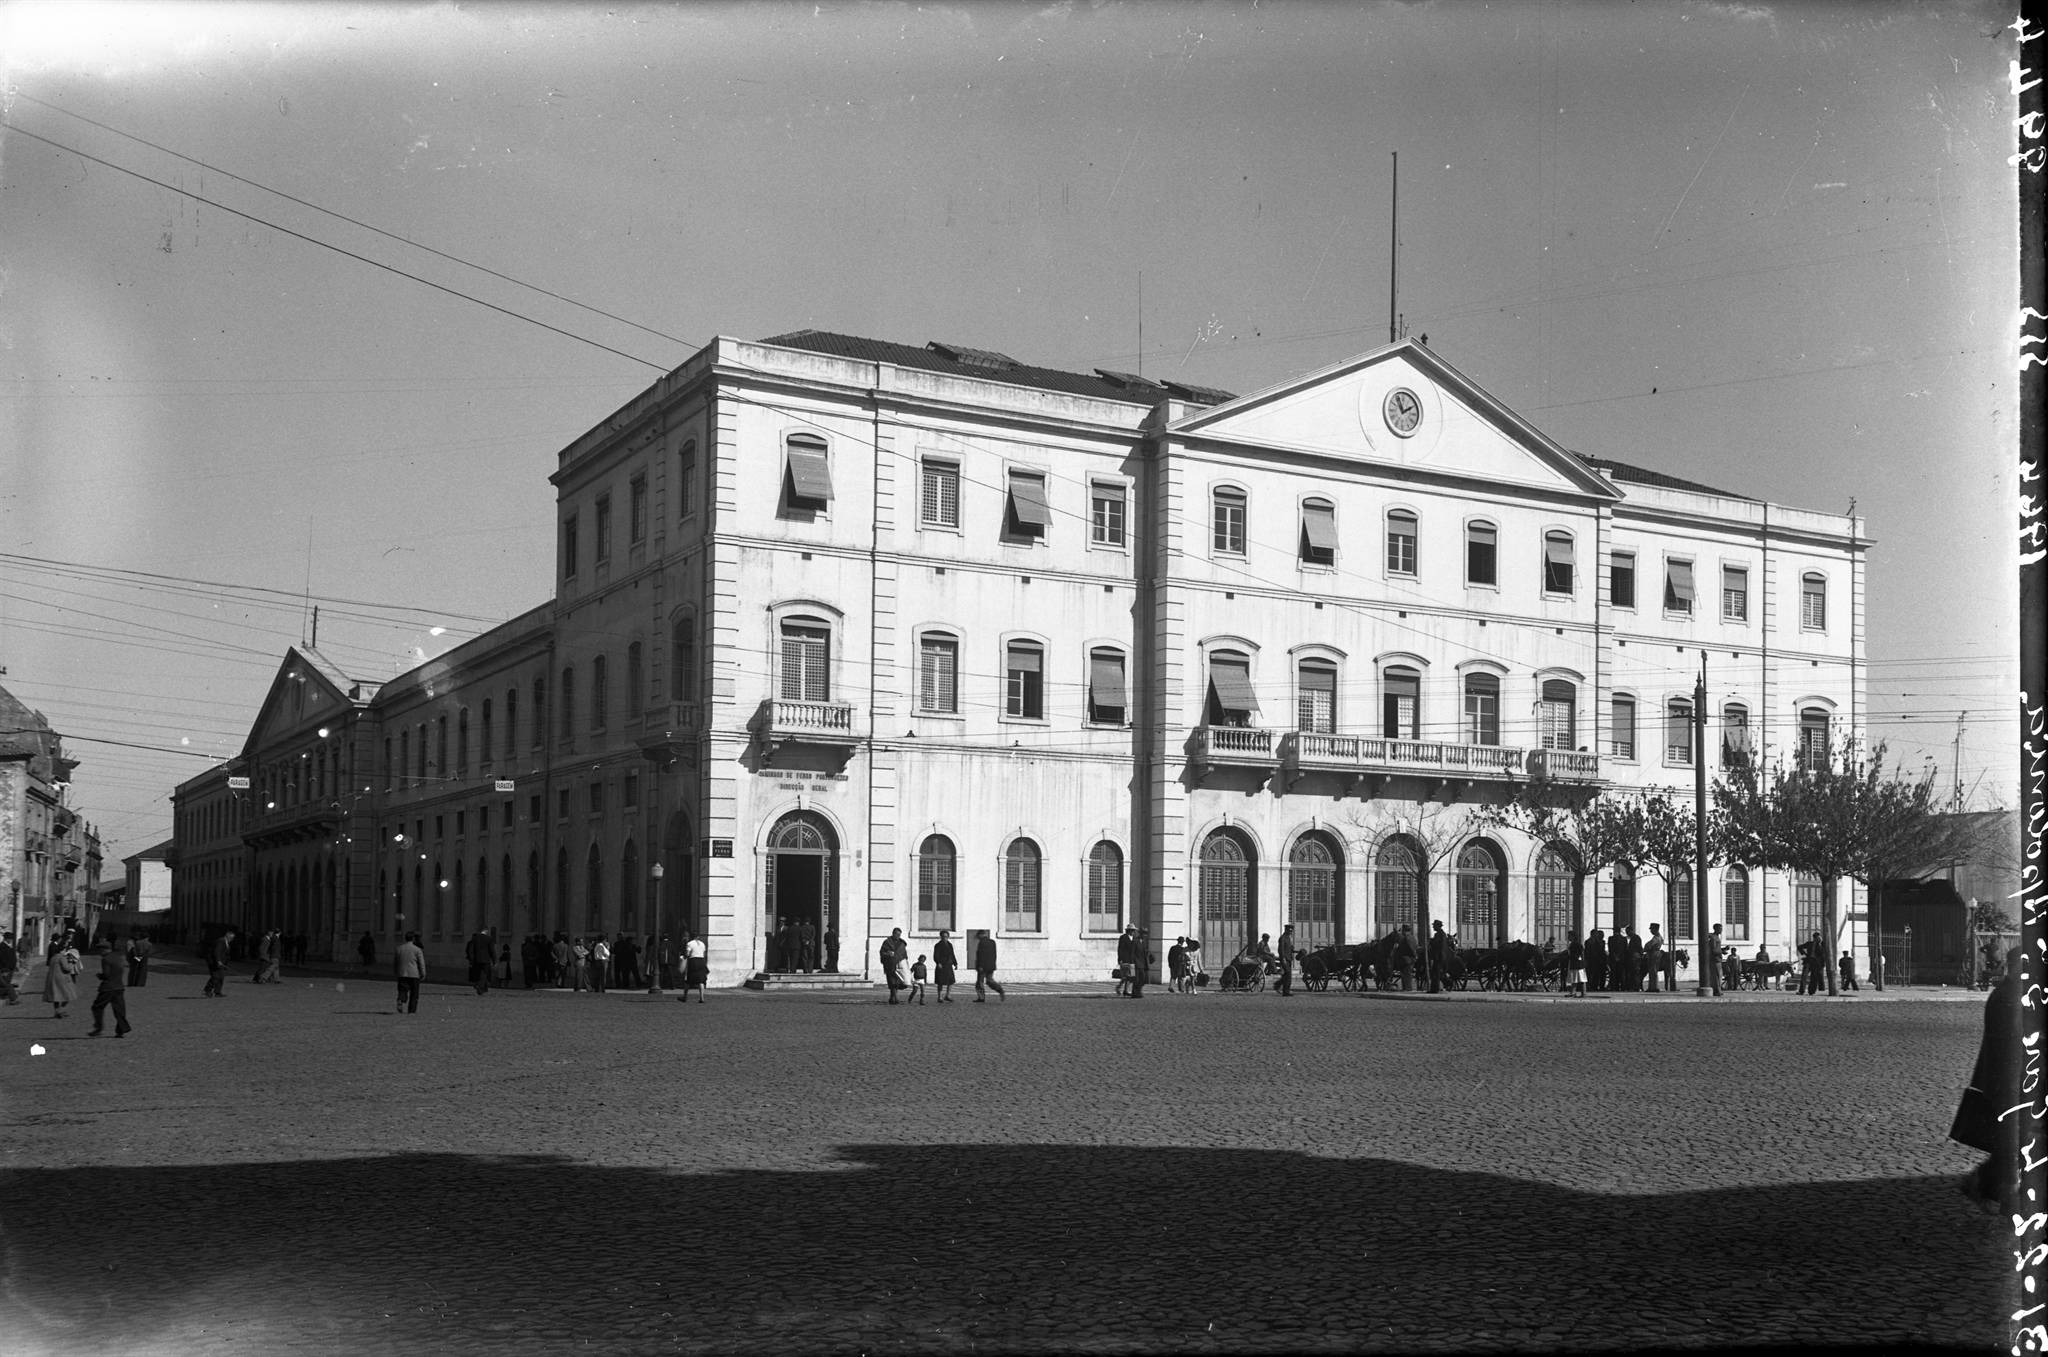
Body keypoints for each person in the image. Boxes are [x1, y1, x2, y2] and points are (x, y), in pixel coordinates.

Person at [1952, 946, 2025, 1211]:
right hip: (2008, 1083)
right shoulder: (2007, 997)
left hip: (2013, 1082)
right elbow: (2013, 1043)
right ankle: (1994, 1190)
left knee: (2015, 1142)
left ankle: (1990, 1186)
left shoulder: (2014, 995)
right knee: (2014, 1142)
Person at [88, 933, 133, 1038]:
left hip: (108, 988)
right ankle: (121, 1030)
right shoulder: (119, 957)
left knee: (97, 1007)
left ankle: (98, 1027)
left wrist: (100, 976)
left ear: (104, 950)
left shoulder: (106, 959)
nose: (99, 953)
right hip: (119, 987)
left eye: (100, 950)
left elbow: (107, 975)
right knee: (119, 1009)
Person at [44, 930, 82, 1019]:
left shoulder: (54, 957)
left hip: (53, 979)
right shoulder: (62, 958)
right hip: (61, 979)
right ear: (62, 950)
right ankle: (60, 1010)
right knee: (68, 995)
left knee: (56, 997)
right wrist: (72, 962)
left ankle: (57, 1011)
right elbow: (67, 968)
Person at [394, 931, 425, 1014]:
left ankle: (400, 999)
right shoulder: (417, 950)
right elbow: (421, 963)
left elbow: (396, 962)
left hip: (402, 973)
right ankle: (411, 1010)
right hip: (414, 974)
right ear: (413, 939)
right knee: (414, 994)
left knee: (402, 990)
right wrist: (423, 973)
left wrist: (396, 972)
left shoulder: (399, 948)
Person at [973, 930, 1005, 1002]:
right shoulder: (992, 942)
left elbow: (981, 955)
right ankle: (999, 989)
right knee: (990, 980)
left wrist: (980, 965)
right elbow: (994, 954)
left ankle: (981, 997)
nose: (977, 938)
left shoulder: (981, 943)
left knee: (980, 982)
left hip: (983, 966)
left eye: (978, 936)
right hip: (991, 965)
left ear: (980, 935)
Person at [204, 928, 234, 998]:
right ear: (228, 937)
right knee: (216, 976)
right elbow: (217, 952)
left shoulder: (225, 942)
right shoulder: (221, 941)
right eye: (232, 938)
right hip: (214, 962)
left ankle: (217, 992)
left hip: (220, 962)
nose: (232, 939)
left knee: (221, 977)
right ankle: (207, 990)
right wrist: (218, 961)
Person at [932, 929, 959, 1003]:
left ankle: (948, 995)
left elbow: (952, 954)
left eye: (946, 936)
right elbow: (935, 956)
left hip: (949, 965)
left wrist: (955, 963)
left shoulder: (950, 945)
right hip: (941, 965)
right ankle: (939, 997)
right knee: (940, 982)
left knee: (951, 981)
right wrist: (938, 963)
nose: (945, 938)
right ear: (941, 937)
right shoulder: (938, 945)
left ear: (948, 937)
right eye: (943, 936)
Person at [466, 929, 495, 996]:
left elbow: (471, 950)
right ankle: (481, 987)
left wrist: (471, 959)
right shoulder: (489, 939)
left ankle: (480, 986)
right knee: (484, 974)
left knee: (478, 974)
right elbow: (492, 951)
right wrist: (494, 960)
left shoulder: (474, 939)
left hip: (477, 960)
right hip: (486, 960)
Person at [681, 931, 708, 1003]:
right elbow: (704, 954)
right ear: (698, 937)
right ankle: (701, 998)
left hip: (693, 961)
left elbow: (687, 953)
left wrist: (683, 957)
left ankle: (685, 997)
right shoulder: (702, 943)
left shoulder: (689, 943)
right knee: (701, 980)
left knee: (688, 980)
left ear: (691, 937)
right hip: (701, 961)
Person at [1427, 920, 1452, 994]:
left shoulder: (1440, 934)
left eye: (1434, 926)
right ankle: (1435, 988)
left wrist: (1431, 941)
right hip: (1438, 956)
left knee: (1436, 973)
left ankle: (1436, 988)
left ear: (1438, 926)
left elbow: (1438, 945)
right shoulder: (1439, 934)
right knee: (1436, 973)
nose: (1433, 927)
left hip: (1439, 956)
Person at [1391, 924, 1418, 991]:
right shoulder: (1413, 937)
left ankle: (1407, 988)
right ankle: (1406, 988)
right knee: (1406, 974)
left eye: (1403, 931)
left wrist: (1414, 955)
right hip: (1408, 959)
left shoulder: (1406, 938)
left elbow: (1411, 948)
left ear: (1405, 931)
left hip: (1406, 959)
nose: (1402, 932)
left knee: (1406, 974)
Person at [1116, 926, 1140, 997]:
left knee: (1132, 976)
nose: (1133, 932)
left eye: (1134, 931)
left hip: (1132, 960)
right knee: (1125, 976)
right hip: (1125, 959)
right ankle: (1119, 987)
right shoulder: (1123, 938)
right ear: (1129, 931)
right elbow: (1120, 949)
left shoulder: (1135, 938)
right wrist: (1120, 959)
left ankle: (1126, 990)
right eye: (1132, 930)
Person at [1642, 923, 1665, 992]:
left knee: (1653, 971)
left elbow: (1649, 946)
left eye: (1652, 929)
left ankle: (1653, 987)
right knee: (1653, 971)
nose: (1651, 931)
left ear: (1656, 929)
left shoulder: (1656, 938)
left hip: (1653, 955)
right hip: (1655, 954)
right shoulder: (1659, 937)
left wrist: (1645, 949)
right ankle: (1652, 987)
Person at [1275, 923, 1296, 997]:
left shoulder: (1289, 938)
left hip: (1289, 958)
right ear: (1286, 930)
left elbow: (1290, 949)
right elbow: (1281, 949)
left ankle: (1278, 985)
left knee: (1287, 975)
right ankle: (1286, 991)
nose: (1290, 932)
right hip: (1285, 959)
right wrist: (1283, 958)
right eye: (1289, 931)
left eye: (1291, 931)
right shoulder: (1283, 938)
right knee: (1288, 974)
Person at [1584, 928, 1607, 993]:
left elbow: (1602, 950)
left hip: (1598, 960)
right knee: (1591, 973)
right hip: (1591, 960)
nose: (1597, 935)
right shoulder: (1588, 941)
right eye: (1596, 934)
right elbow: (1587, 951)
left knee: (1597, 974)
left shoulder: (1600, 941)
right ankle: (1590, 986)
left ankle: (1595, 986)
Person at [1565, 929, 1586, 997]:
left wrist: (1580, 960)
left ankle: (1581, 993)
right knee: (1575, 978)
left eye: (1569, 936)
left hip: (1577, 963)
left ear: (1573, 936)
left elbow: (1581, 953)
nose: (1568, 937)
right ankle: (1574, 992)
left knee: (1579, 978)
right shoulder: (1573, 944)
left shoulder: (1576, 944)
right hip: (1575, 962)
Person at [0, 931, 19, 1006]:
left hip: (10, 969)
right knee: (6, 984)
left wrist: (15, 966)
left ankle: (6, 996)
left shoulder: (8, 945)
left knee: (6, 983)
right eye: (10, 938)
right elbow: (2, 958)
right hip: (6, 969)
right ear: (6, 938)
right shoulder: (2, 946)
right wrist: (5, 969)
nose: (11, 940)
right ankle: (12, 998)